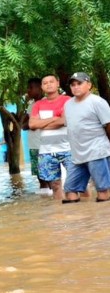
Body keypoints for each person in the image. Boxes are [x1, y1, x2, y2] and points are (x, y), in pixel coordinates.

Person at [62, 72, 110, 203]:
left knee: (103, 191)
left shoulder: (98, 102)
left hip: (97, 151)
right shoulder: (68, 104)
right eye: (73, 84)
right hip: (77, 154)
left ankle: (102, 222)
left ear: (89, 85)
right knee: (70, 191)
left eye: (79, 83)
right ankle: (79, 222)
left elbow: (108, 125)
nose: (75, 87)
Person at [29, 74, 72, 201]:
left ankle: (83, 212)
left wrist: (42, 124)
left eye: (51, 81)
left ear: (58, 83)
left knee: (77, 182)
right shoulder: (38, 105)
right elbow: (32, 124)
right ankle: (60, 214)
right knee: (55, 185)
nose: (48, 84)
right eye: (45, 83)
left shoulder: (67, 100)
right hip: (46, 151)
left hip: (69, 148)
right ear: (42, 87)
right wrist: (54, 119)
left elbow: (64, 121)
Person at [22, 77, 50, 193]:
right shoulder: (30, 105)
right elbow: (24, 125)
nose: (28, 90)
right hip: (34, 146)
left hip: (44, 146)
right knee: (40, 177)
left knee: (49, 177)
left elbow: (36, 123)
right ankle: (45, 202)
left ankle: (53, 201)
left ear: (40, 88)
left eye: (31, 88)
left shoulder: (46, 102)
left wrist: (31, 123)